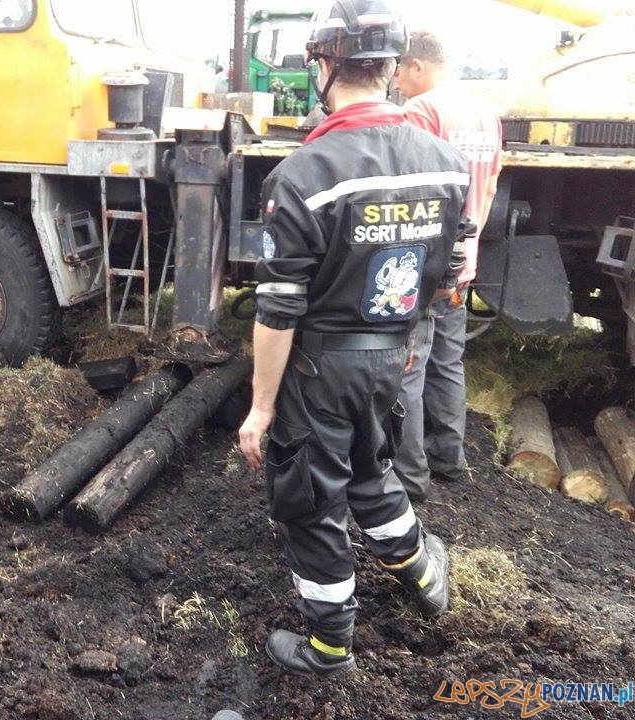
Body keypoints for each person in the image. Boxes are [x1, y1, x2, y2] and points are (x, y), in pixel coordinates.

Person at [238, 0, 473, 676]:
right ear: (393, 68)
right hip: (395, 355)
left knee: (310, 502)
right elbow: (453, 270)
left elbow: (279, 309)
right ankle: (425, 577)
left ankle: (328, 647)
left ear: (324, 63)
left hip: (322, 367)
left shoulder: (303, 176)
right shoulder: (447, 163)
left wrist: (260, 408)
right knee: (371, 470)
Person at [391, 30, 504, 501]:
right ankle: (448, 458)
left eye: (398, 69)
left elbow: (411, 193)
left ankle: (409, 477)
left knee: (408, 367)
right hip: (462, 262)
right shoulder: (483, 112)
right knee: (448, 361)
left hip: (425, 267)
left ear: (417, 66)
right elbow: (492, 184)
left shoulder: (420, 112)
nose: (394, 81)